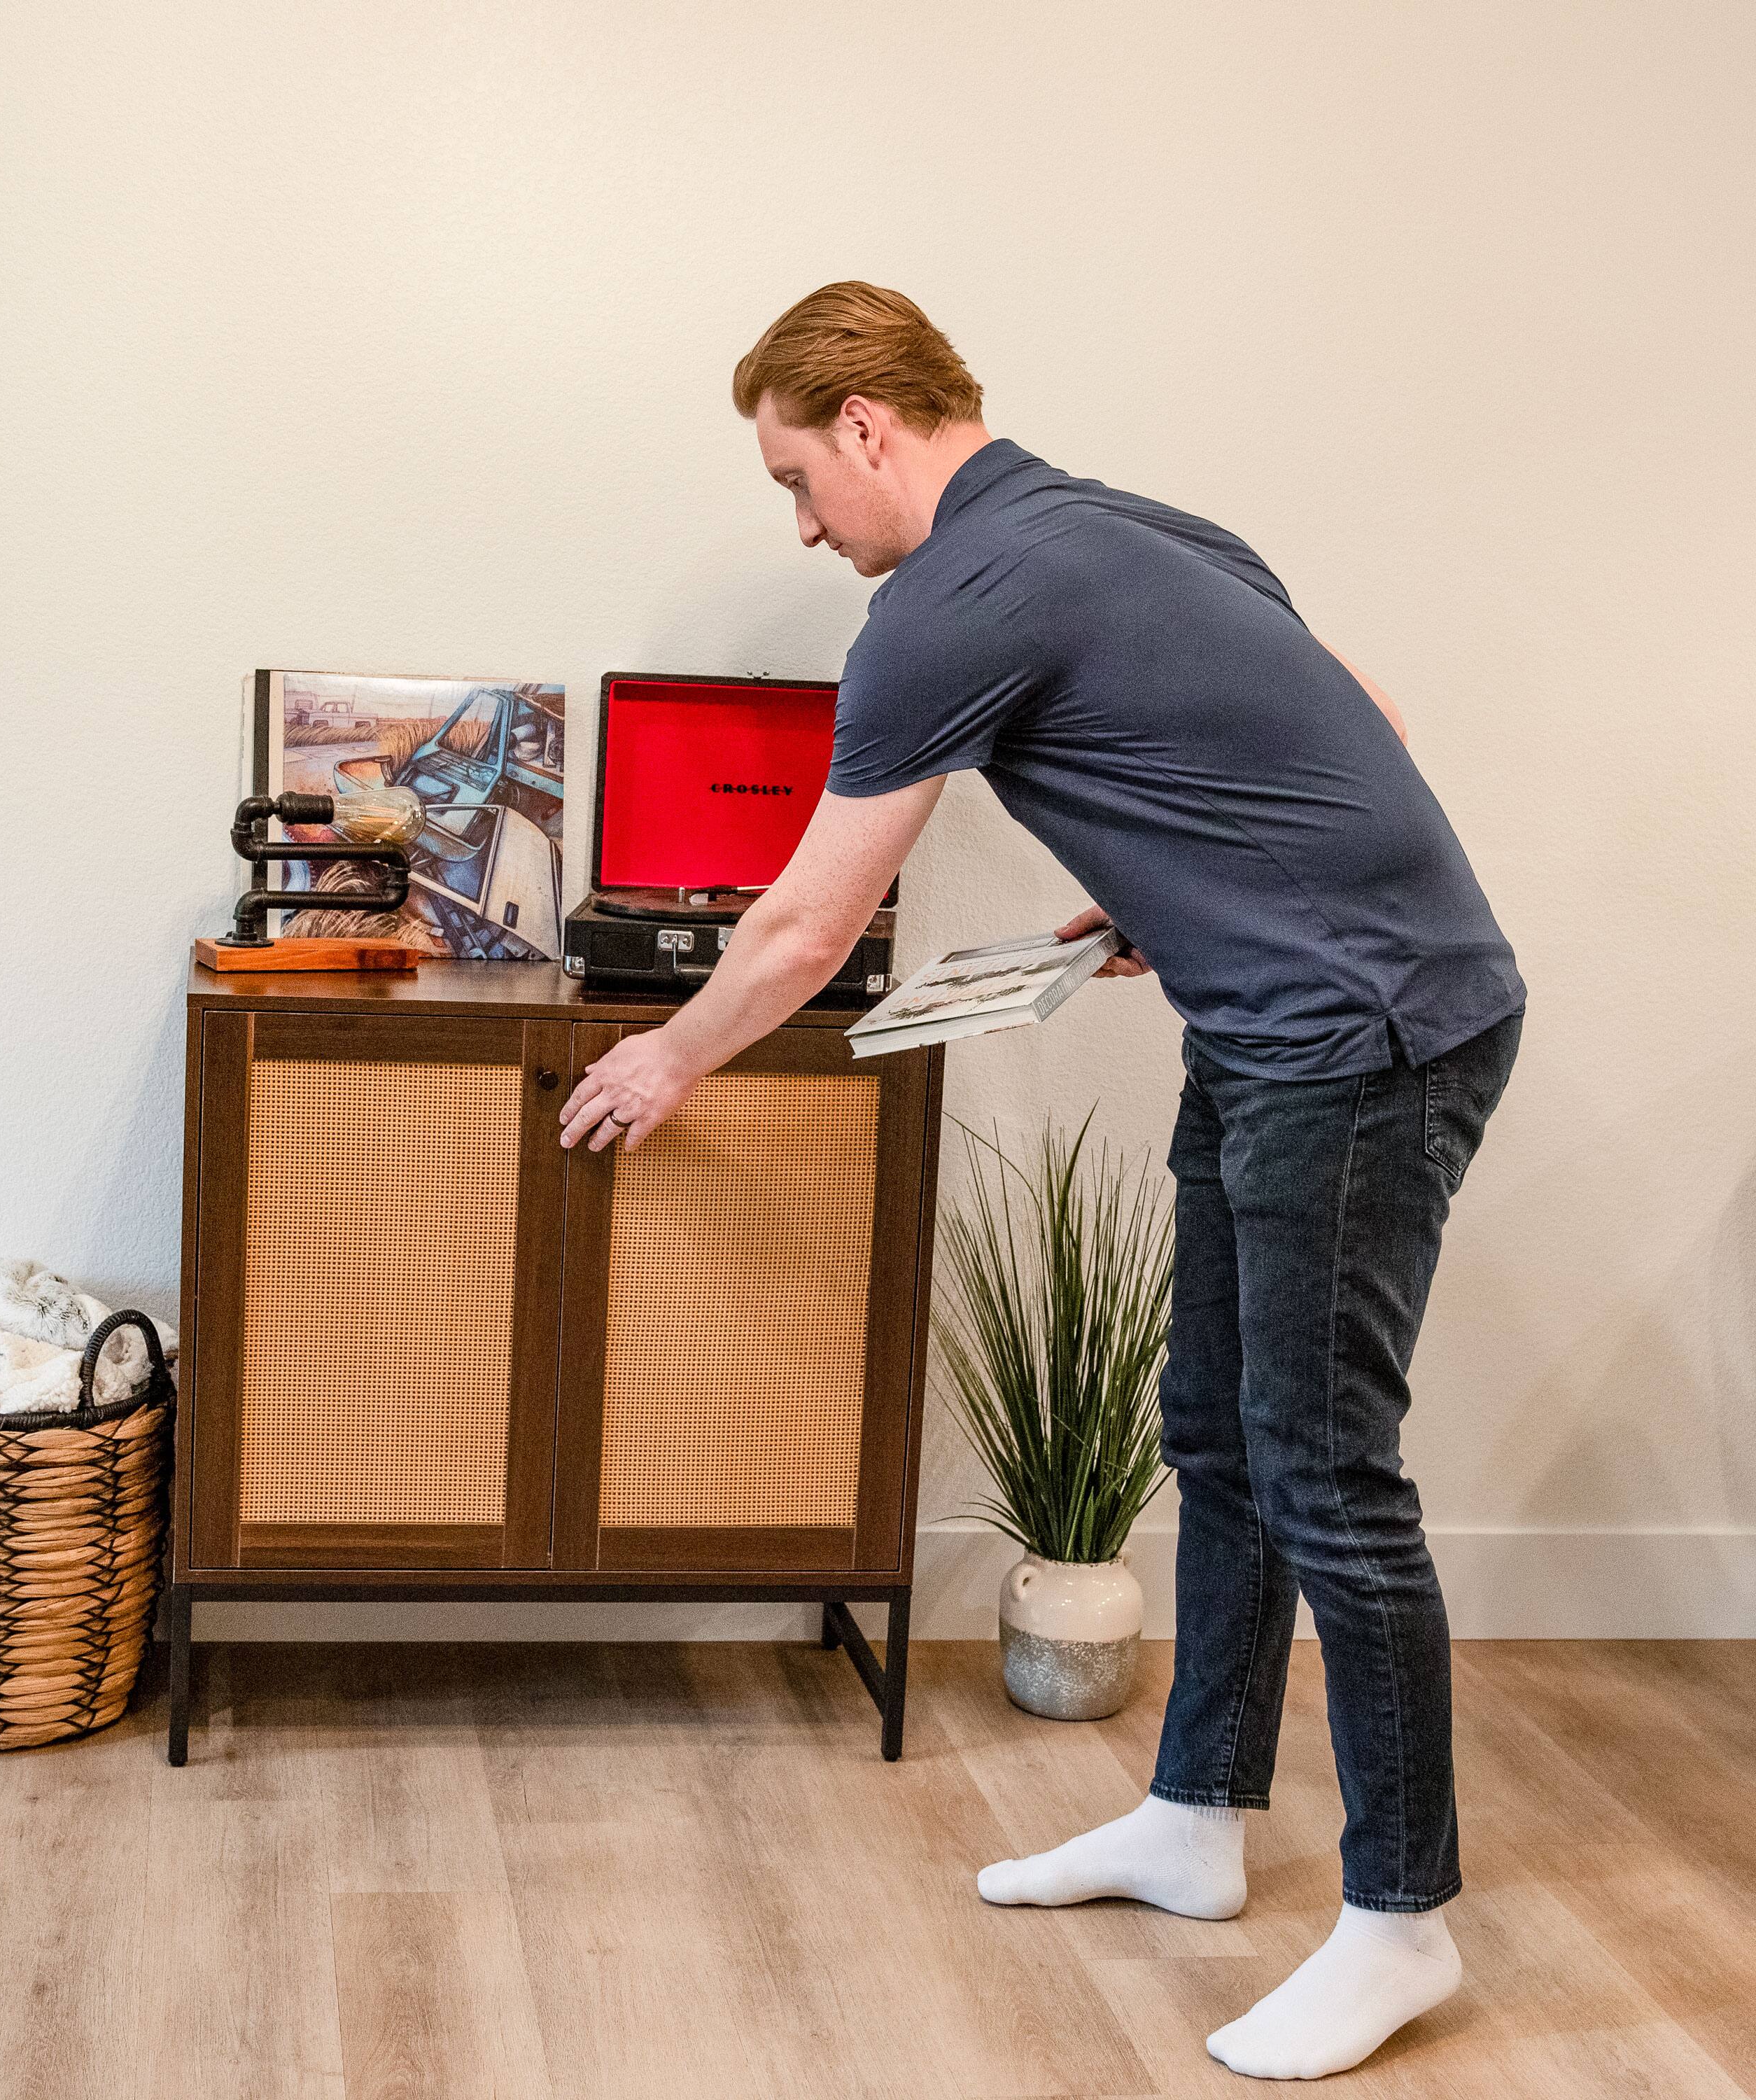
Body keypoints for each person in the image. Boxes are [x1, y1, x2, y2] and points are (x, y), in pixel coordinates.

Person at [558, 281, 1524, 2081]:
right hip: (1285, 1020)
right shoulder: (1148, 527)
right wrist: (1193, 888)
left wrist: (670, 1053)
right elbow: (1358, 722)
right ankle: (1196, 1824)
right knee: (1219, 1435)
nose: (802, 525)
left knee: (1327, 1469)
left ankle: (1403, 1924)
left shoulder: (947, 604)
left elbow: (806, 920)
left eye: (796, 478)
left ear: (865, 424)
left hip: (1367, 1041)